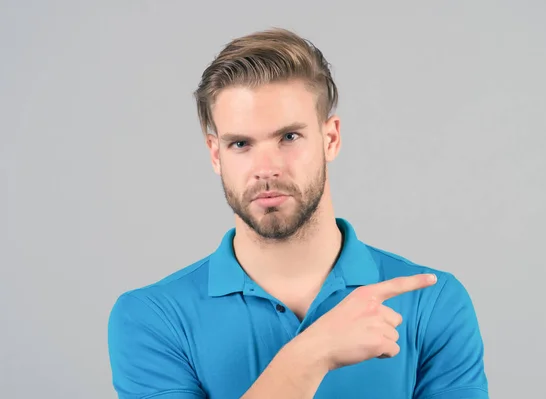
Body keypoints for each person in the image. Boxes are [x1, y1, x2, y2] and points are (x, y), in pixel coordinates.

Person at [107, 27, 489, 399]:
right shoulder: (152, 317)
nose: (266, 167)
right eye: (240, 143)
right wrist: (311, 354)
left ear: (331, 139)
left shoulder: (433, 302)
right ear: (215, 154)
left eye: (289, 137)